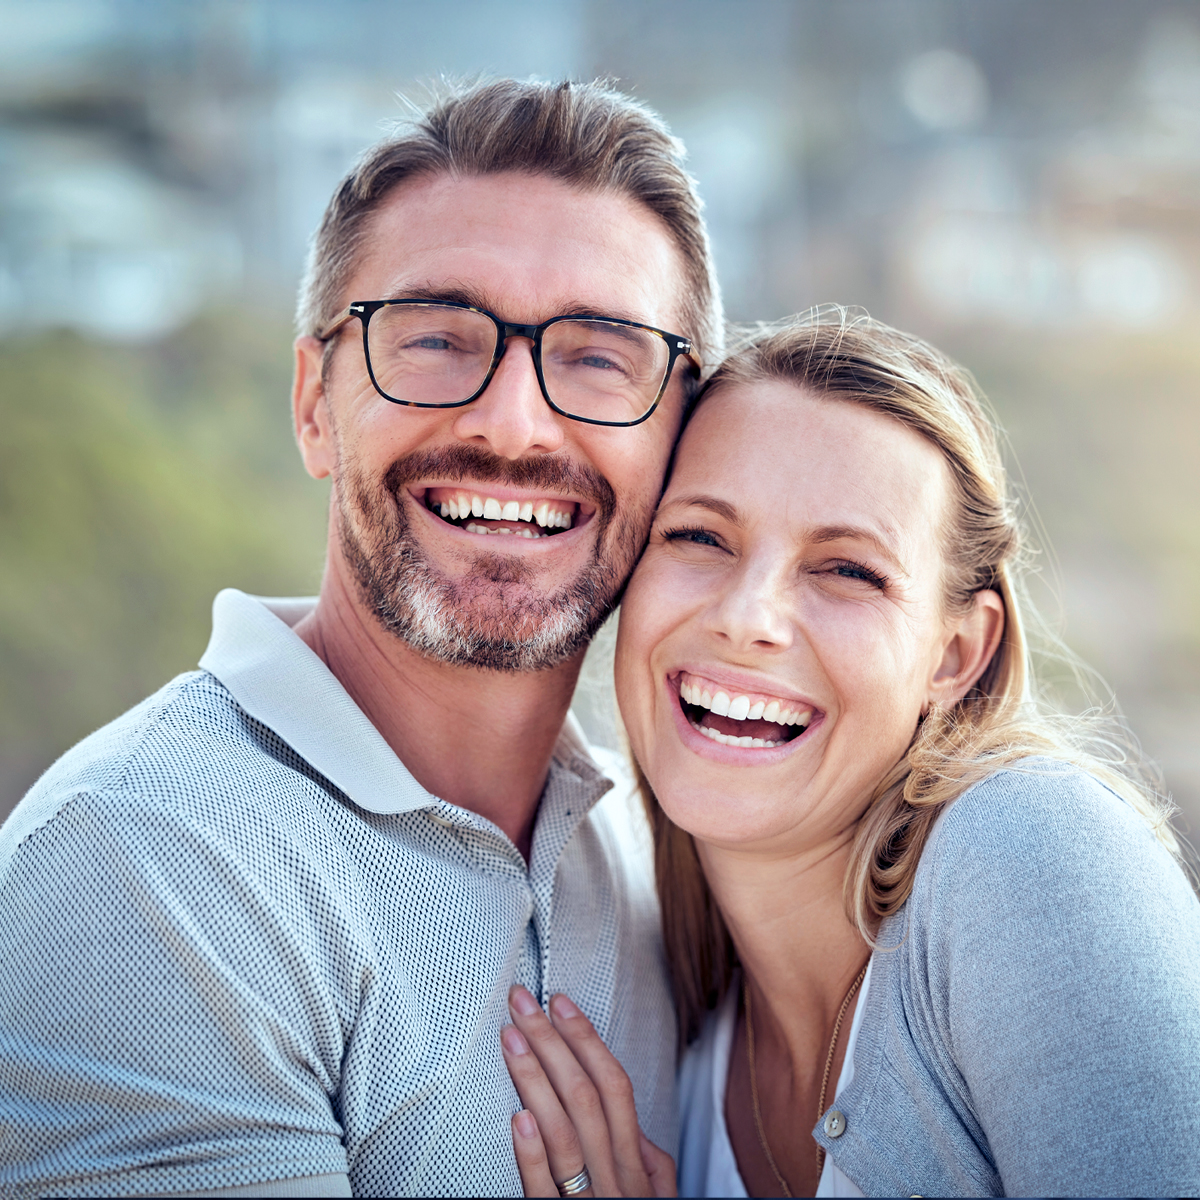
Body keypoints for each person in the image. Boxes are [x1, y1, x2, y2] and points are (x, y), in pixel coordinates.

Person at [0, 78, 722, 1198]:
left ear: (682, 434)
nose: (514, 423)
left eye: (597, 356)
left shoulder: (663, 859)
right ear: (313, 405)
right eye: (437, 337)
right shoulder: (145, 861)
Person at [500, 308, 1200, 1198]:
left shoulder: (1032, 856)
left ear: (956, 654)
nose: (746, 616)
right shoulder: (669, 1009)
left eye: (848, 570)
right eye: (700, 537)